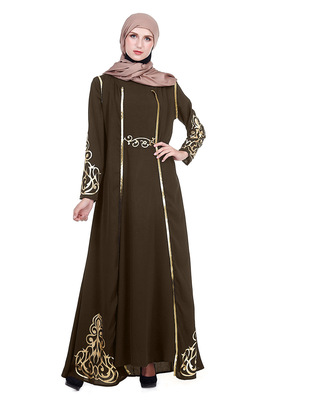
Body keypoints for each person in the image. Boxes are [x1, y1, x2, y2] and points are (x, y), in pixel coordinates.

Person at [61, 12, 206, 390]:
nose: (140, 44)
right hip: (116, 195)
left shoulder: (168, 85)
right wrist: (88, 195)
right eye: (133, 36)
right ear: (123, 39)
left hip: (160, 195)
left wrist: (181, 152)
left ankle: (148, 361)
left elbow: (197, 126)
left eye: (147, 38)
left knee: (154, 270)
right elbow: (96, 141)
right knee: (108, 269)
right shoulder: (103, 84)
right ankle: (96, 359)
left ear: (154, 43)